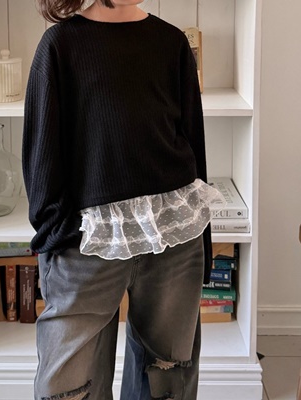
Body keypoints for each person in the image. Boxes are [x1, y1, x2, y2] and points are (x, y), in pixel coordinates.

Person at [22, 1, 224, 399]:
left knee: (167, 378)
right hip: (87, 241)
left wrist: (202, 244)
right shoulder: (59, 45)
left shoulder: (171, 42)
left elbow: (193, 146)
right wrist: (59, 238)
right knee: (68, 388)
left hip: (173, 238)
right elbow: (41, 152)